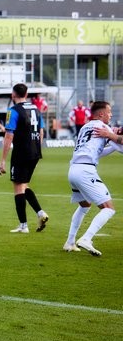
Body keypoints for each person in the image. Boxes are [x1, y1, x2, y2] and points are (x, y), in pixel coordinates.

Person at [63, 101, 122, 256]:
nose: (110, 115)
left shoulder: (85, 127)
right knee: (108, 208)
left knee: (84, 206)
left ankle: (70, 242)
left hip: (73, 169)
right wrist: (114, 136)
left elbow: (96, 151)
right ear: (101, 114)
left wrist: (112, 140)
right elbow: (120, 148)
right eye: (109, 112)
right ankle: (86, 239)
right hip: (85, 171)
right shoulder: (104, 128)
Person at [0, 83, 49, 233]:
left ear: (13, 95)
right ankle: (40, 213)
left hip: (21, 152)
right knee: (24, 185)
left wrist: (2, 160)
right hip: (34, 152)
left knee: (18, 187)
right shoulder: (36, 109)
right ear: (26, 94)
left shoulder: (13, 111)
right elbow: (41, 132)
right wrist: (36, 148)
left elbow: (9, 136)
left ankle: (23, 226)